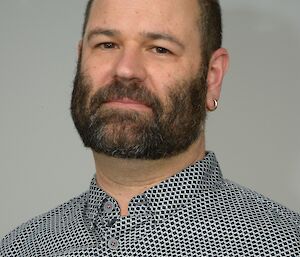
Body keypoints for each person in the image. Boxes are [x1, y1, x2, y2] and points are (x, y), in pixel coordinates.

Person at [1, 0, 299, 256]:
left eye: (160, 48)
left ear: (212, 77)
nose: (126, 69)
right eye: (107, 44)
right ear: (80, 60)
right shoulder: (18, 247)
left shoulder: (284, 246)